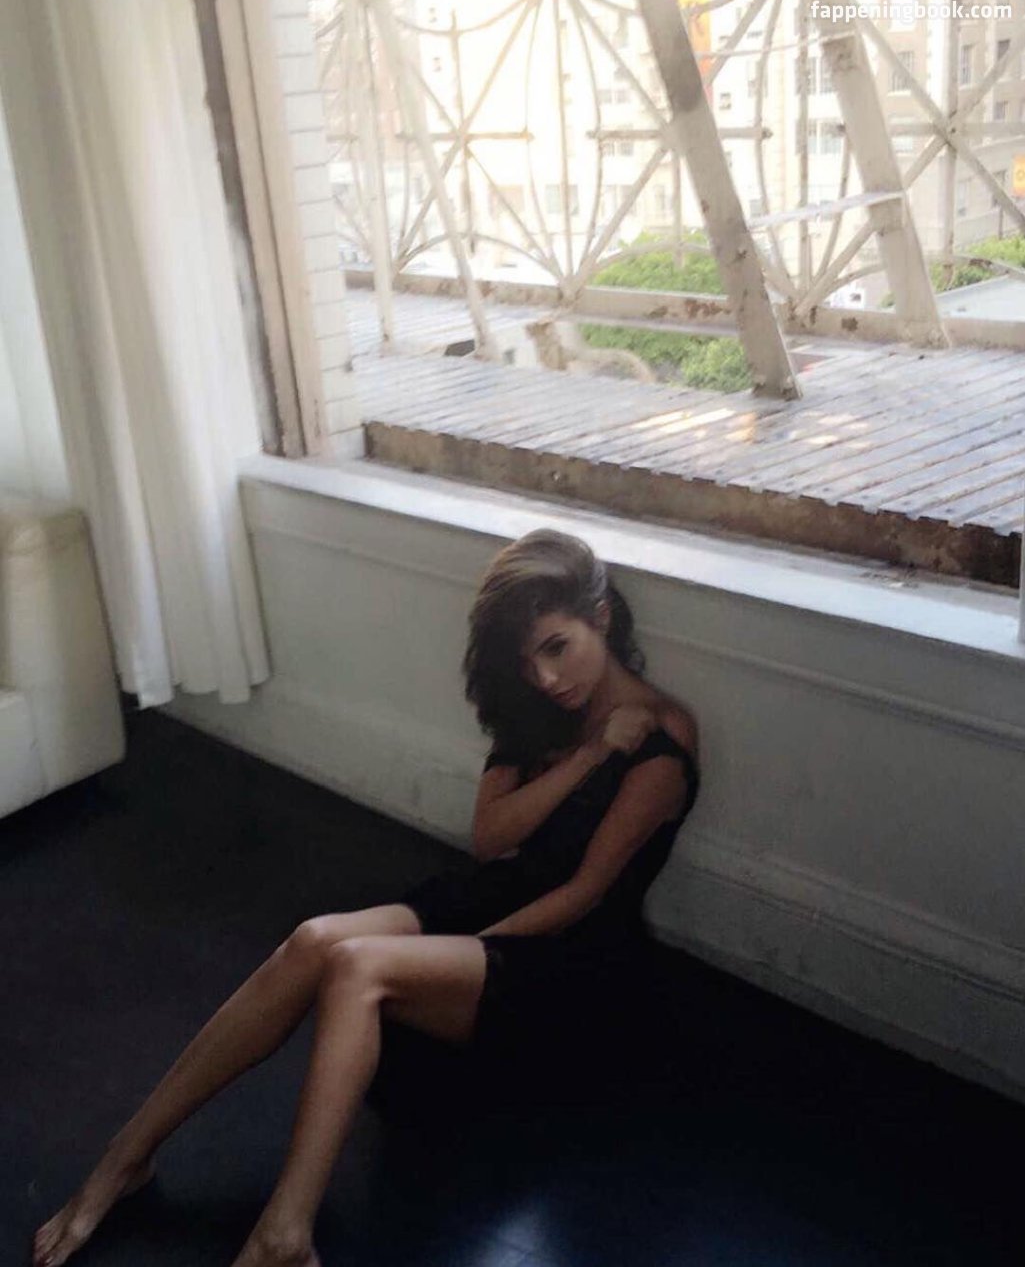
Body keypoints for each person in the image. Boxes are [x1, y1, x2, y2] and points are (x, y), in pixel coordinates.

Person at [33, 528, 699, 1267]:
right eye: (526, 660)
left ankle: (285, 1233)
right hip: (494, 894)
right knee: (314, 941)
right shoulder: (546, 710)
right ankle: (126, 1157)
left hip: (569, 958)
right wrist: (590, 753)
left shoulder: (665, 739)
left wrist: (463, 951)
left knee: (357, 967)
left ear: (600, 618)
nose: (545, 677)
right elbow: (490, 836)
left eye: (557, 647)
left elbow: (583, 893)